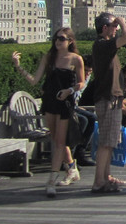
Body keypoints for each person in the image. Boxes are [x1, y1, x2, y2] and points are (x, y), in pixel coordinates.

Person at [12, 27, 85, 197]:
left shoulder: (76, 59)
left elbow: (81, 82)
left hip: (64, 102)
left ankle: (52, 180)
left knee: (59, 142)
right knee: (56, 138)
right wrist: (18, 66)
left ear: (70, 41)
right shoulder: (49, 57)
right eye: (56, 38)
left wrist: (69, 90)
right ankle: (71, 168)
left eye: (62, 38)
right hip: (50, 101)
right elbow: (35, 80)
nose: (58, 41)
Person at [89, 13, 126, 193]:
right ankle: (99, 181)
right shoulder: (101, 45)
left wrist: (123, 107)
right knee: (106, 142)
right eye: (113, 25)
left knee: (110, 141)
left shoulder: (106, 47)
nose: (116, 28)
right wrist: (122, 21)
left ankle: (105, 177)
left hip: (113, 99)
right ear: (104, 28)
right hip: (107, 99)